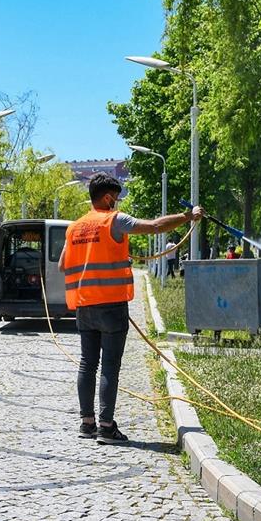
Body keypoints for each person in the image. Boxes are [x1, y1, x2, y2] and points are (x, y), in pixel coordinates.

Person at [58, 174, 202, 444]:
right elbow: (156, 226)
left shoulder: (74, 228)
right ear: (108, 197)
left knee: (87, 364)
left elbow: (63, 265)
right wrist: (188, 216)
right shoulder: (114, 220)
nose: (118, 202)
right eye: (117, 197)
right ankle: (106, 426)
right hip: (111, 305)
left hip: (84, 306)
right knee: (110, 366)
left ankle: (86, 423)